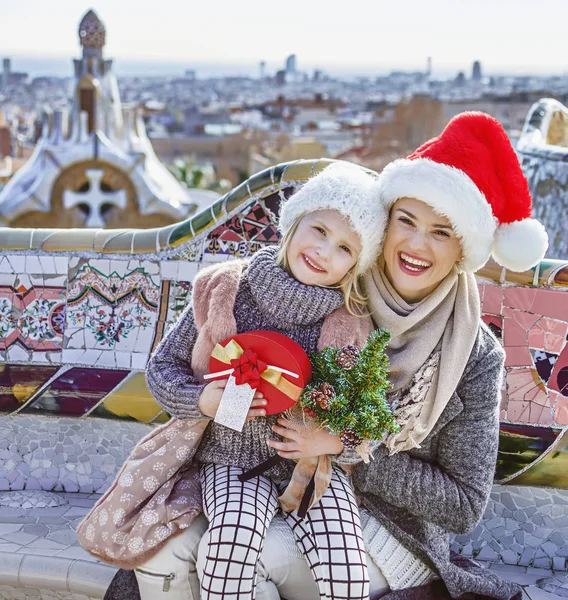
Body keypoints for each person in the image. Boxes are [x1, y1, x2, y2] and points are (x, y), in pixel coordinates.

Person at [104, 112, 547, 600]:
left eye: (442, 232)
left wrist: (343, 447)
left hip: (385, 525)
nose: (417, 245)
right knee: (162, 550)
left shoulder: (472, 353)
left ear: (465, 249)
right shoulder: (337, 291)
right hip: (258, 478)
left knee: (241, 557)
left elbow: (462, 504)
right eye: (406, 221)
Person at [136, 162, 388, 600]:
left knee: (348, 567)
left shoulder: (350, 323)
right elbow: (161, 370)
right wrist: (202, 400)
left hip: (313, 469)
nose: (325, 251)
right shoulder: (224, 289)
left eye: (346, 248)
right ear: (294, 222)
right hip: (232, 460)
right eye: (320, 230)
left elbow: (374, 418)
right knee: (228, 550)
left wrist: (334, 443)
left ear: (356, 266)